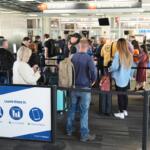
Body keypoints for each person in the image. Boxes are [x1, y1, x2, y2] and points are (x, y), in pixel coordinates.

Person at [66, 38, 97, 142]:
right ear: (88, 47)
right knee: (84, 112)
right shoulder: (89, 58)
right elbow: (93, 71)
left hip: (73, 87)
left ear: (79, 46)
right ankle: (84, 135)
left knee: (71, 109)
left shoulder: (72, 56)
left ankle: (69, 130)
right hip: (85, 87)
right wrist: (93, 81)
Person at [109, 38, 133, 119]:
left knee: (120, 95)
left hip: (119, 78)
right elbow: (132, 67)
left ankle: (121, 112)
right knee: (125, 94)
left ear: (119, 45)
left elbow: (114, 67)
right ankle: (125, 111)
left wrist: (109, 69)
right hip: (127, 78)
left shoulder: (118, 53)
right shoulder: (129, 54)